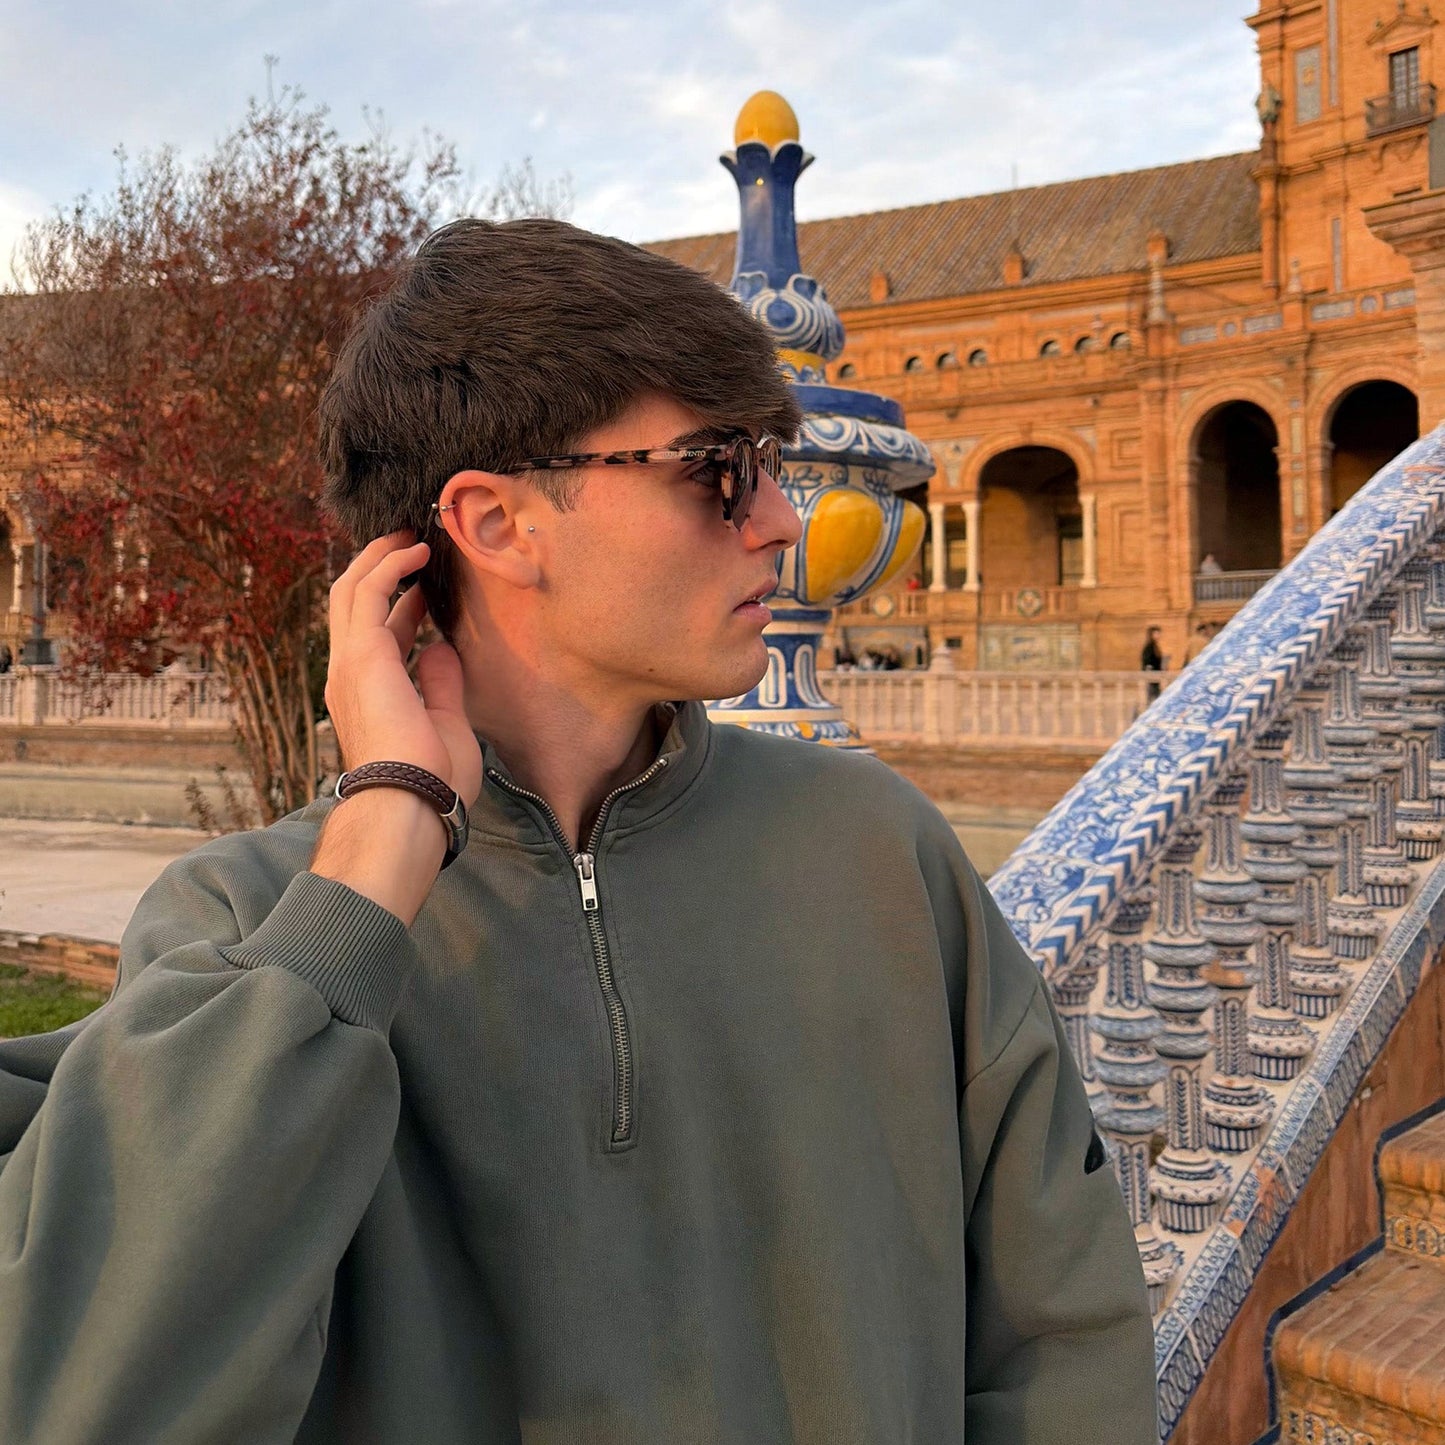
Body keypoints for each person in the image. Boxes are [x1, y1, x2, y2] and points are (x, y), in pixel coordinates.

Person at [0, 218, 1156, 1443]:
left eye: (770, 461)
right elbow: (93, 1393)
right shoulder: (253, 926)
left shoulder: (875, 851)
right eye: (717, 466)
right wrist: (383, 840)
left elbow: (1060, 1323)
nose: (779, 518)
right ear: (497, 523)